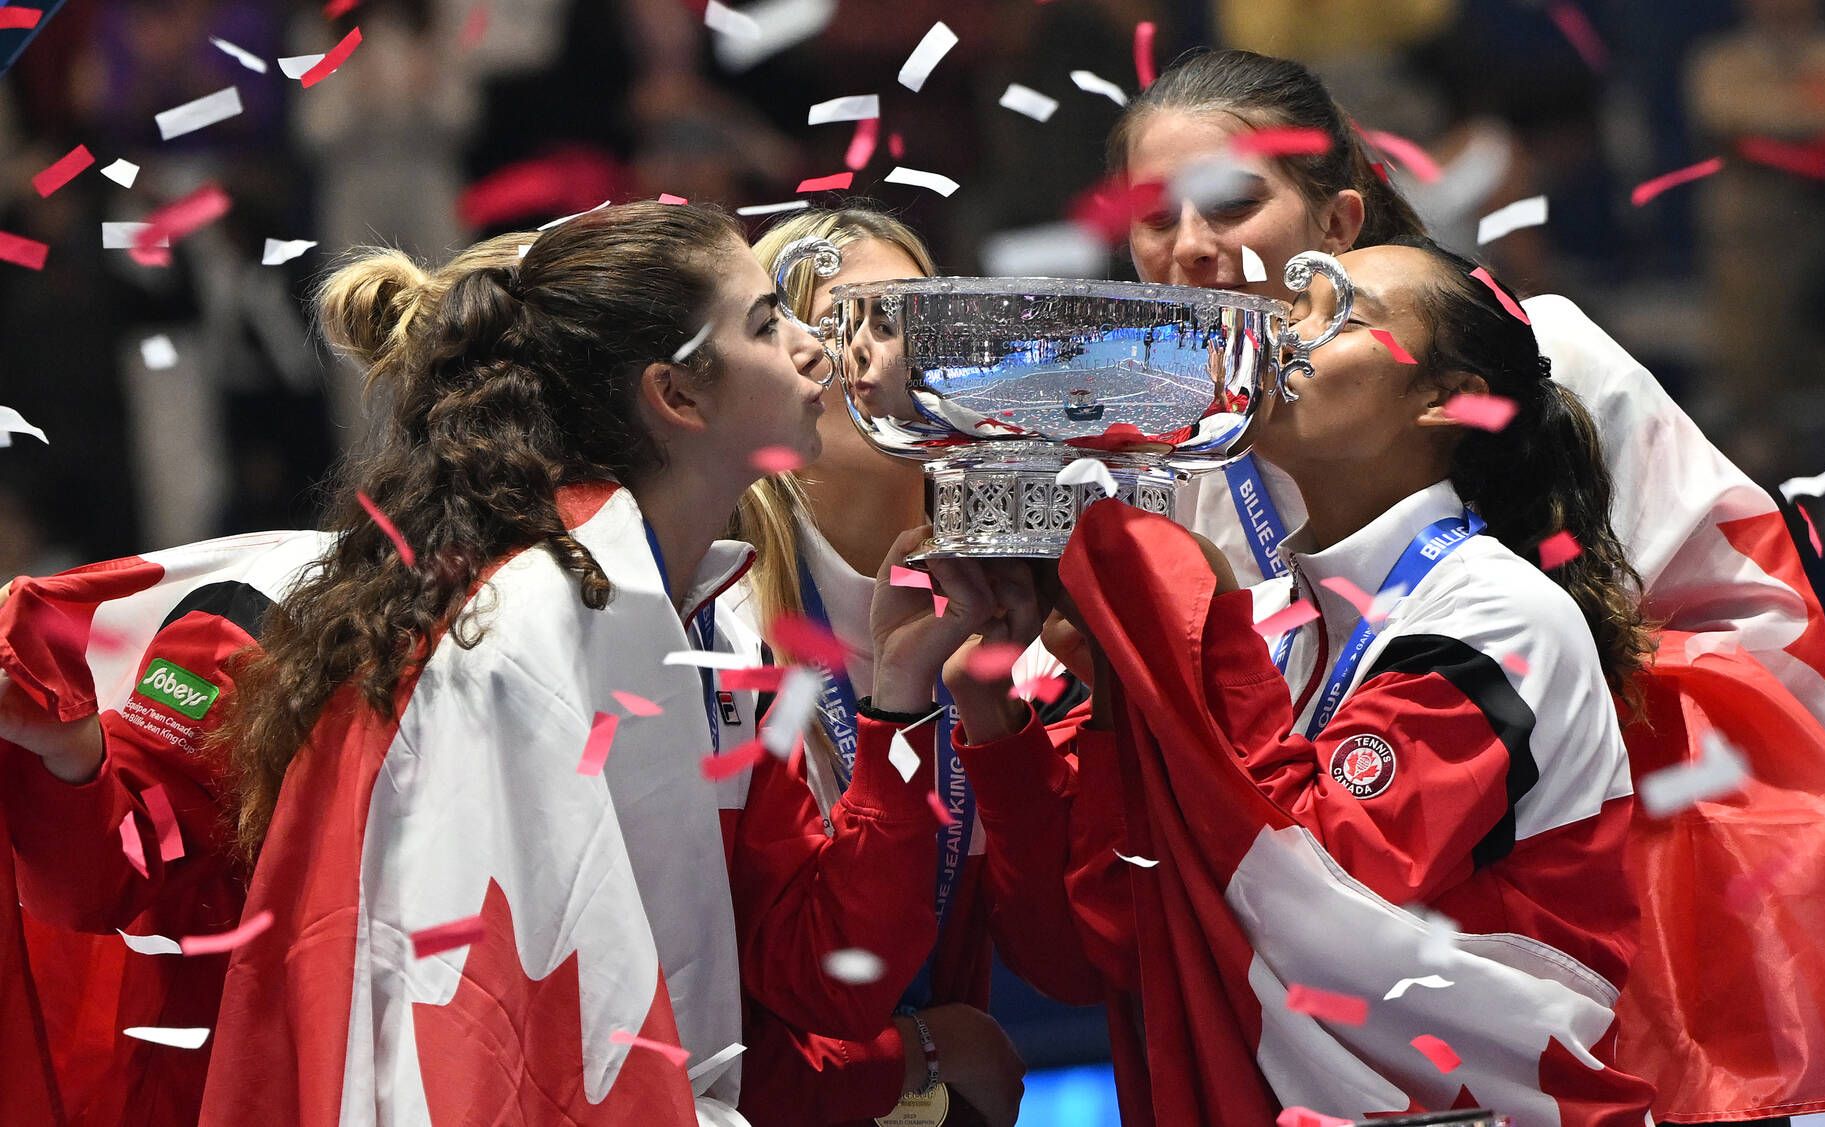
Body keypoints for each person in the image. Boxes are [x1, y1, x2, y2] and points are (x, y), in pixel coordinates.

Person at [1101, 48, 1825, 1121]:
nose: (1191, 249)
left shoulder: (1543, 354)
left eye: (1229, 206)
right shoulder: (1151, 457)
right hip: (1305, 950)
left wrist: (1535, 754)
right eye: (1153, 219)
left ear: (1339, 221)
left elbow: (1751, 620)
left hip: (1585, 922)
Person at [0, 202, 945, 1126]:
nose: (821, 348)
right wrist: (75, 757)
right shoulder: (433, 629)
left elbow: (814, 965)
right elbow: (459, 1033)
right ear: (676, 393)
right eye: (769, 321)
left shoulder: (722, 633)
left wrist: (901, 709)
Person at [933, 240, 1660, 1123]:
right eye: (1290, 310)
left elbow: (1315, 893)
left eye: (1337, 315)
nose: (1282, 338)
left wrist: (1190, 625)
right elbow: (1092, 952)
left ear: (1443, 397)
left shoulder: (1501, 615)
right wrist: (1002, 726)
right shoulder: (1275, 625)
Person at [726, 205, 1076, 1127]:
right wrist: (913, 1053)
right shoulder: (719, 613)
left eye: (912, 320)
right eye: (840, 319)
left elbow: (1066, 952)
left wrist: (996, 722)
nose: (878, 354)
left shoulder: (1019, 593)